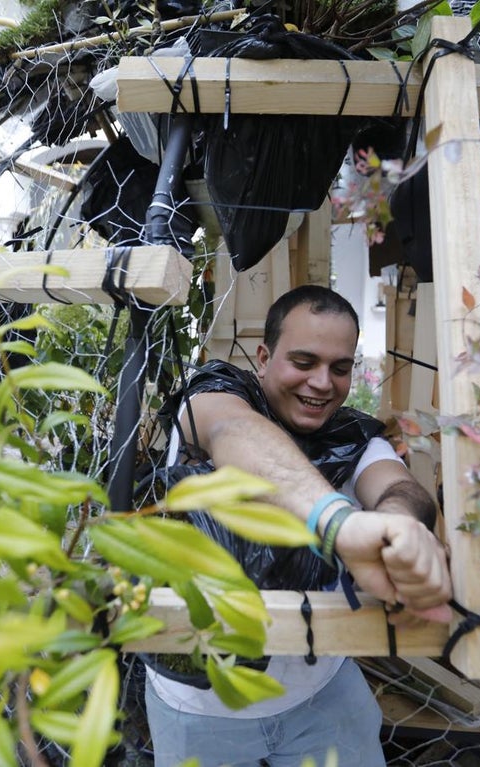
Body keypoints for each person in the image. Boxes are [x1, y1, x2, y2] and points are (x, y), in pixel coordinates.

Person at [143, 285, 453, 767]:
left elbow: (398, 487)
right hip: (200, 709)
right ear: (264, 358)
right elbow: (234, 432)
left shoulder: (354, 436)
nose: (322, 383)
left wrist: (398, 532)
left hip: (322, 696)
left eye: (340, 368)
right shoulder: (213, 396)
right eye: (304, 362)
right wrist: (340, 524)